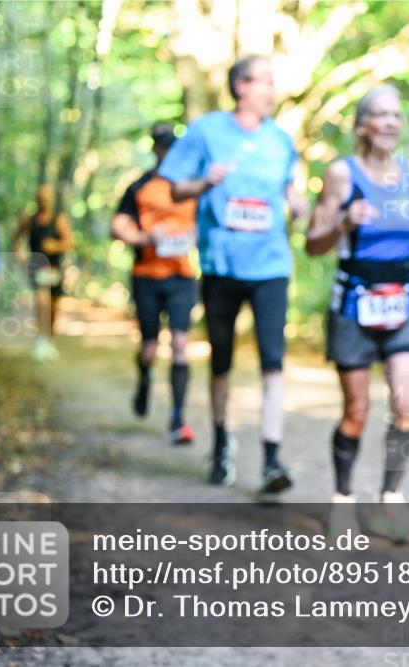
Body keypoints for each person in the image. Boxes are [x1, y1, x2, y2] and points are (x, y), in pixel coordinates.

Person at [159, 55, 309, 491]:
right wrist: (205, 182)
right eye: (265, 82)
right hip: (222, 264)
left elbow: (290, 189)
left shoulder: (281, 140)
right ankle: (223, 444)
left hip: (270, 265)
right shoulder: (206, 131)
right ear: (241, 86)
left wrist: (297, 204)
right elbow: (175, 186)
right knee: (221, 359)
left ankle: (272, 460)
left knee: (273, 361)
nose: (272, 90)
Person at [305, 85, 409, 539]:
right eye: (380, 115)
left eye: (396, 116)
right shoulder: (342, 175)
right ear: (362, 125)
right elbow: (312, 243)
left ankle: (389, 501)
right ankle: (342, 501)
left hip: (403, 302)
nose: (390, 123)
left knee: (405, 405)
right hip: (353, 304)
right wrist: (343, 222)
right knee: (356, 410)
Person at [111, 122, 198, 446]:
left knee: (179, 345)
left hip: (182, 276)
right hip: (146, 276)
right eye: (163, 147)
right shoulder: (139, 187)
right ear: (155, 149)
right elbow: (117, 226)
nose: (168, 152)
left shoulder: (191, 186)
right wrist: (145, 237)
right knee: (150, 348)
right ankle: (145, 376)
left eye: (172, 147)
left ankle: (177, 418)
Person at [11, 184, 74, 362]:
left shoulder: (58, 220)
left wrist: (55, 246)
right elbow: (15, 240)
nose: (43, 200)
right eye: (40, 197)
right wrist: (20, 258)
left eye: (46, 197)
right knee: (41, 302)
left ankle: (49, 341)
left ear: (51, 200)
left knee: (53, 307)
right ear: (36, 199)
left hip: (54, 270)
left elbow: (70, 242)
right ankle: (40, 340)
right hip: (36, 268)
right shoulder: (29, 220)